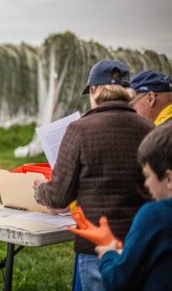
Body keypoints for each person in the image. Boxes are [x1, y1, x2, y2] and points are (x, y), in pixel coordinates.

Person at [33, 59, 153, 291]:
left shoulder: (80, 129)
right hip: (139, 243)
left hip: (96, 245)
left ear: (95, 90)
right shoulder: (149, 129)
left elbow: (58, 197)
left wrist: (39, 190)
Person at [90, 123, 172, 291]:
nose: (146, 184)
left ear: (169, 178)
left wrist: (108, 255)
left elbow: (119, 279)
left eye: (148, 176)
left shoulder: (155, 216)